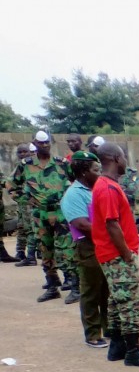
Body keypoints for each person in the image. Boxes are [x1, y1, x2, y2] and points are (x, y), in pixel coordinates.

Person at [87, 144, 139, 367]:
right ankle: (133, 351)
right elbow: (112, 224)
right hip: (117, 255)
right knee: (129, 301)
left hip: (112, 254)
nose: (126, 162)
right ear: (115, 158)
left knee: (117, 300)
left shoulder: (106, 185)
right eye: (124, 157)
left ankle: (117, 345)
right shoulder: (108, 188)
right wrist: (127, 253)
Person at [62, 152, 109, 346]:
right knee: (91, 291)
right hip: (88, 245)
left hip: (105, 243)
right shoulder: (73, 194)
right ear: (83, 172)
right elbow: (82, 224)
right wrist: (111, 233)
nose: (100, 173)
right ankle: (92, 334)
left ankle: (109, 328)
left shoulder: (96, 189)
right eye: (95, 170)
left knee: (107, 289)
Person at [23, 131, 75, 302]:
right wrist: (27, 200)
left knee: (68, 250)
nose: (44, 145)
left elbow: (76, 180)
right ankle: (52, 286)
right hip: (41, 214)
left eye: (47, 143)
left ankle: (76, 286)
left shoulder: (61, 163)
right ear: (34, 143)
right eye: (41, 143)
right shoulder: (26, 165)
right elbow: (11, 184)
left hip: (61, 212)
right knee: (46, 251)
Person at [10, 143, 38, 265]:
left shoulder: (34, 166)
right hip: (23, 203)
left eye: (25, 151)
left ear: (30, 152)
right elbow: (10, 184)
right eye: (20, 152)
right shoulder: (19, 167)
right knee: (22, 228)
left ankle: (31, 256)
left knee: (31, 228)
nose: (22, 154)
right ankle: (20, 252)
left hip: (31, 202)